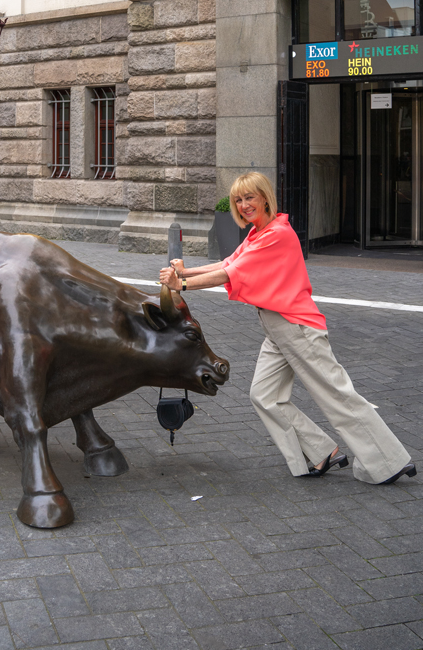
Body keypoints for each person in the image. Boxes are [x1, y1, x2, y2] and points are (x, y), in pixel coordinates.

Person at [159, 172, 416, 485]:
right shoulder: (258, 233)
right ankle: (321, 452)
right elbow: (229, 262)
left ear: (265, 197)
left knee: (336, 396)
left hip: (297, 327)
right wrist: (188, 271)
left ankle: (388, 462)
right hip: (277, 328)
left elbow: (230, 274)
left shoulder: (277, 233)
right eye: (239, 200)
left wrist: (182, 284)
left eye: (249, 197)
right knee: (265, 396)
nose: (243, 205)